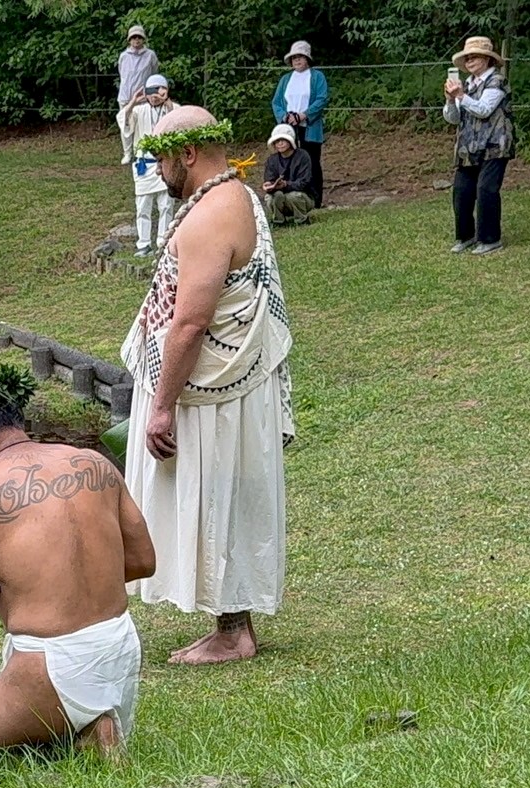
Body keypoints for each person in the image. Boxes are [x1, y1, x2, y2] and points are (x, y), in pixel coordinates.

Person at [0, 363, 156, 775]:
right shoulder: (94, 463)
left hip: (49, 664)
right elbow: (143, 561)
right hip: (120, 646)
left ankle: (81, 723)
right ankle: (86, 724)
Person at [120, 106, 295, 666]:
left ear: (188, 154)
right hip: (230, 387)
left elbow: (191, 323)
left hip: (216, 392)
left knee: (220, 493)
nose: (157, 171)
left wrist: (162, 407)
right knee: (224, 491)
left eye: (161, 160)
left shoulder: (209, 217)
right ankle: (229, 625)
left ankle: (233, 632)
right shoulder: (236, 194)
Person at [443, 37, 515, 255]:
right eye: (467, 58)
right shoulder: (465, 85)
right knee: (461, 191)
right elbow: (454, 119)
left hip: (495, 144)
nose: (469, 61)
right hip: (468, 147)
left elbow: (484, 109)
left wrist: (461, 96)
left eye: (474, 57)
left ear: (486, 59)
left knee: (486, 190)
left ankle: (490, 239)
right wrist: (450, 100)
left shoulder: (497, 81)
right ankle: (466, 236)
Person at [118, 73, 178, 257]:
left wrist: (167, 102)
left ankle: (162, 242)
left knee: (166, 204)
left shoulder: (172, 108)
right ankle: (143, 244)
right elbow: (124, 122)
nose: (154, 97)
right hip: (144, 165)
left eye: (157, 93)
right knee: (143, 205)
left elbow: (179, 120)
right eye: (150, 93)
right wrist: (132, 103)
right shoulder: (139, 110)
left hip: (165, 163)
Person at [272, 41, 329, 208]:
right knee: (289, 160)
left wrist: (304, 114)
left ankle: (315, 200)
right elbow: (276, 102)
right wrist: (285, 116)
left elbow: (322, 99)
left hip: (309, 126)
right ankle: (292, 197)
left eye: (300, 57)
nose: (297, 60)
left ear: (307, 59)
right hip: (290, 127)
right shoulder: (285, 80)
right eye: (294, 57)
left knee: (311, 161)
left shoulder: (317, 77)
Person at [262, 124, 314, 226]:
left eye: (283, 140)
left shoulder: (302, 156)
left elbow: (304, 182)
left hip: (302, 197)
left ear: (290, 141)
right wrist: (269, 186)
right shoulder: (272, 160)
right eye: (277, 141)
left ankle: (301, 219)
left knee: (293, 196)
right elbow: (270, 179)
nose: (280, 143)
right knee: (272, 197)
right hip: (280, 197)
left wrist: (286, 184)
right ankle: (278, 220)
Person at [117, 26, 160, 112]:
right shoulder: (123, 56)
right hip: (125, 98)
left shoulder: (150, 55)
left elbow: (154, 75)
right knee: (125, 120)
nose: (137, 39)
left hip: (143, 100)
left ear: (143, 39)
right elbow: (121, 73)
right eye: (134, 37)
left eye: (139, 37)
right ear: (129, 40)